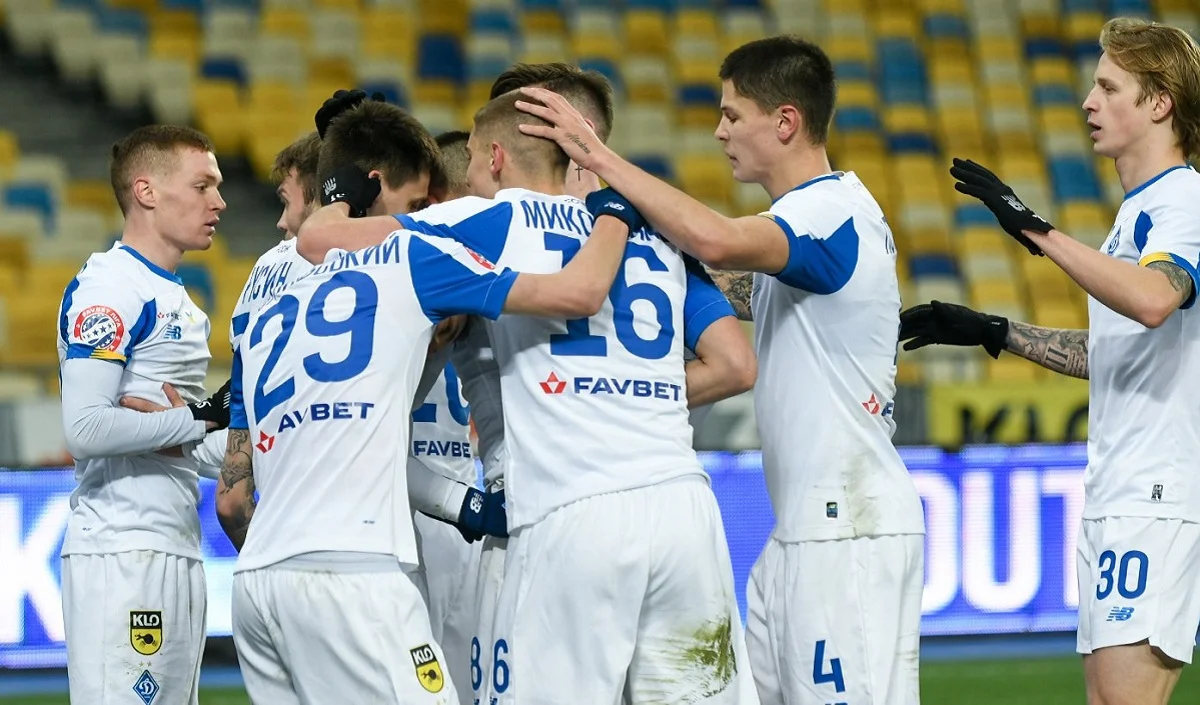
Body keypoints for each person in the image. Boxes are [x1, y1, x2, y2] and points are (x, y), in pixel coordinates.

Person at [516, 34, 926, 704]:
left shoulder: (830, 213)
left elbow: (715, 240)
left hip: (847, 527)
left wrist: (598, 159)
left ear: (785, 122)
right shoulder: (804, 228)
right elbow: (709, 277)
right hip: (804, 529)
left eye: (733, 115)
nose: (719, 131)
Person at [219, 104, 641, 700]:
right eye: (418, 203)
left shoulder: (264, 299)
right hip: (354, 571)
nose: (426, 215)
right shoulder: (412, 257)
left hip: (258, 581)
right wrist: (616, 209)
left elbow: (243, 485)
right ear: (374, 187)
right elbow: (580, 291)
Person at [900, 18, 1200, 705]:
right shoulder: (1139, 212)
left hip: (1155, 495)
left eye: (1109, 87)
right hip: (1120, 489)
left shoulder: (1183, 200)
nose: (1088, 102)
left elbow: (1155, 300)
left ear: (1159, 102)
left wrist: (1036, 229)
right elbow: (1116, 353)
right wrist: (993, 330)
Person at [56, 125, 232, 705]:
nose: (219, 202)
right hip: (121, 549)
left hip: (175, 544)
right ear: (146, 191)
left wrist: (250, 448)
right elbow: (86, 429)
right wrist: (202, 416)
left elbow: (188, 441)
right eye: (202, 186)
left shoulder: (182, 303)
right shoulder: (110, 288)